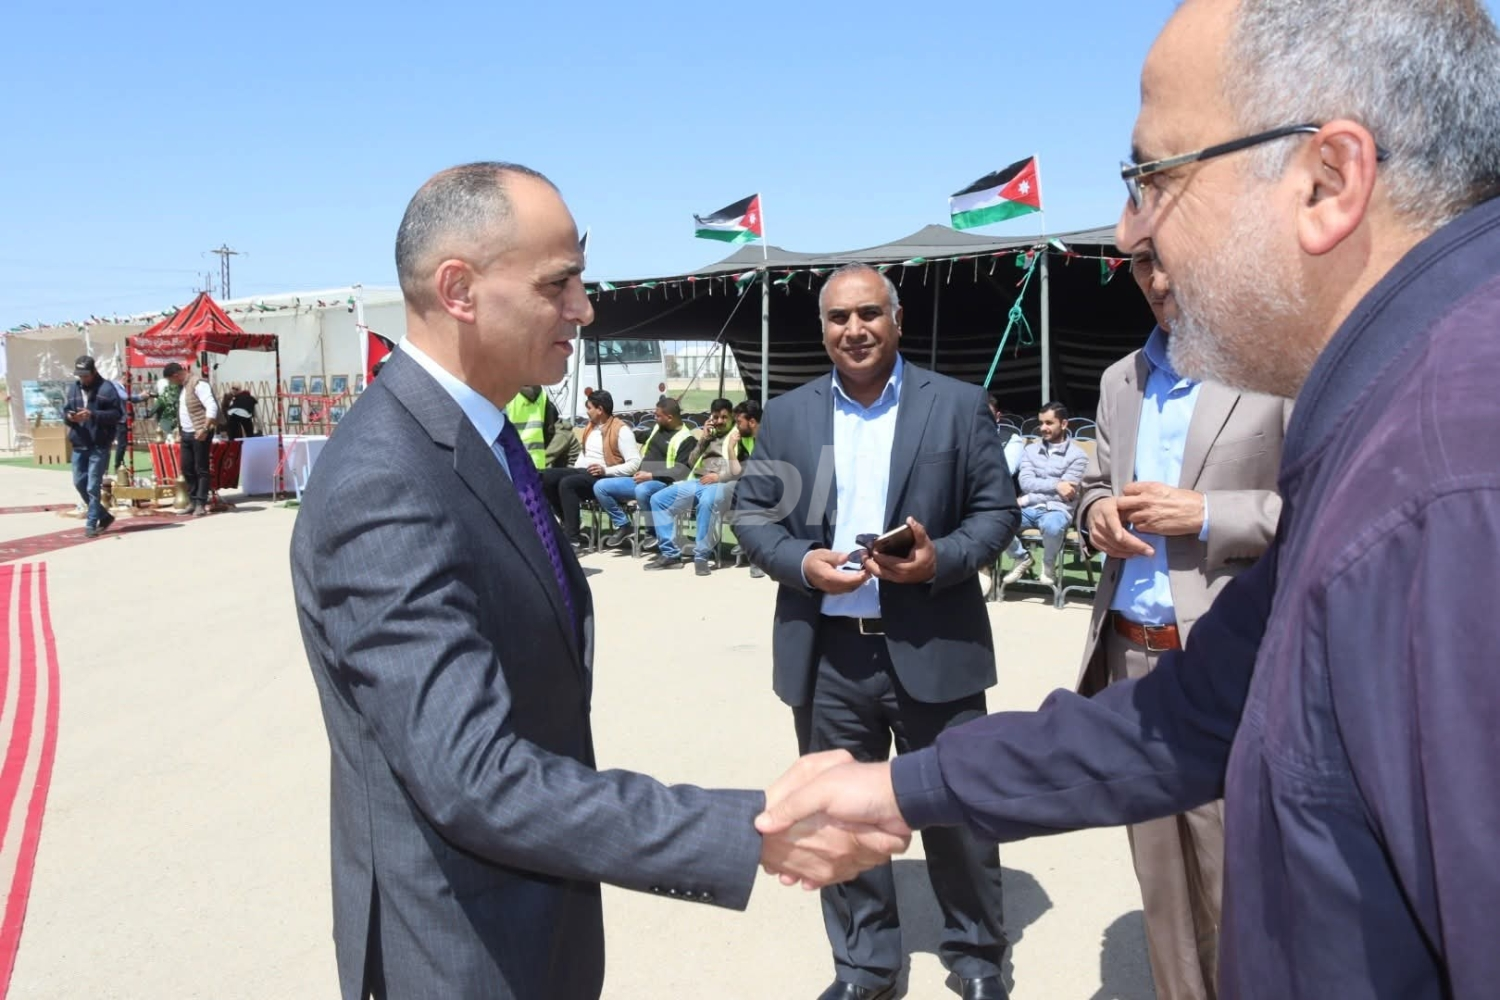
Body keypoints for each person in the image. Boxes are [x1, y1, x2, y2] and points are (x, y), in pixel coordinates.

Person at [756, 1, 1500, 996]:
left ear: (1328, 181)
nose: (1128, 231)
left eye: (1152, 178)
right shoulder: (1396, 407)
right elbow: (1199, 708)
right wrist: (903, 787)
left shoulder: (1456, 473)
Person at [289, 162, 904, 1000]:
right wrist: (750, 831)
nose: (583, 308)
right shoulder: (386, 476)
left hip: (537, 915)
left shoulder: (478, 438)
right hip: (460, 947)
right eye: (559, 283)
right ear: (459, 289)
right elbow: (471, 775)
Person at [735, 263, 1018, 1000]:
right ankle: (866, 966)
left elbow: (996, 512)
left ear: (897, 320)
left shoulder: (956, 405)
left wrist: (937, 560)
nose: (854, 330)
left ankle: (977, 954)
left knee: (956, 806)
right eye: (839, 318)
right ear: (822, 328)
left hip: (933, 644)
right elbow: (754, 514)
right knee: (837, 816)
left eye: (869, 314)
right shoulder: (789, 415)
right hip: (828, 654)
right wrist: (801, 564)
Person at [1076, 248, 1287, 1000]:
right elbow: (1093, 483)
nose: (1158, 281)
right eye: (1141, 265)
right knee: (1161, 885)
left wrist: (1207, 514)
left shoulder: (1277, 368)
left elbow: (1330, 504)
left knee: (1239, 882)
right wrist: (1095, 512)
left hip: (1230, 662)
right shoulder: (1120, 380)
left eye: (1171, 261)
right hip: (1130, 656)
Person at [540, 389, 642, 547]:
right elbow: (584, 454)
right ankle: (568, 522)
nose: (587, 412)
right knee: (546, 477)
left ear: (600, 409)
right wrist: (572, 470)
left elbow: (635, 463)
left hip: (606, 477)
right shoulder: (590, 427)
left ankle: (573, 538)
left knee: (568, 483)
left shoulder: (621, 430)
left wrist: (605, 470)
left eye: (589, 408)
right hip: (584, 472)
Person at [643, 397, 734, 573]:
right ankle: (671, 555)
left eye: (724, 417)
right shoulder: (709, 436)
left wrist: (719, 476)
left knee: (707, 502)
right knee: (658, 500)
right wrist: (704, 439)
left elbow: (744, 466)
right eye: (716, 417)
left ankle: (701, 556)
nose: (720, 421)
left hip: (722, 483)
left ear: (731, 417)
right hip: (697, 480)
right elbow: (691, 462)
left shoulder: (737, 436)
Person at [594, 396, 695, 550]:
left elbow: (680, 471)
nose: (655, 418)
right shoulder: (657, 428)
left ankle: (652, 531)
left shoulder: (686, 439)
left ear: (669, 417)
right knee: (600, 487)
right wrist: (621, 430)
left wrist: (651, 476)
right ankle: (623, 525)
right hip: (639, 479)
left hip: (664, 484)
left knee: (642, 490)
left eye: (658, 416)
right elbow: (638, 436)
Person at [1003, 403, 1087, 586]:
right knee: (998, 520)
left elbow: (1066, 494)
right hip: (1028, 510)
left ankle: (1048, 564)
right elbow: (1026, 482)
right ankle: (1021, 557)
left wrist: (1028, 498)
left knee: (1053, 526)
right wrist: (1057, 485)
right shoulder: (1030, 450)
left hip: (1057, 510)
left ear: (1063, 424)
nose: (1043, 428)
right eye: (1041, 423)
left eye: (1049, 423)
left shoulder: (1078, 456)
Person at [63, 355, 122, 537]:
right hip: (79, 442)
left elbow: (116, 414)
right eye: (80, 375)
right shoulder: (74, 388)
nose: (83, 379)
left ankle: (91, 523)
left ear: (94, 372)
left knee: (93, 486)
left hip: (99, 444)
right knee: (79, 482)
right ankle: (104, 516)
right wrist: (70, 417)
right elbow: (65, 411)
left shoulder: (107, 389)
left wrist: (93, 414)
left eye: (86, 375)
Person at [162, 362, 217, 516]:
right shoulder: (183, 387)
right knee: (187, 468)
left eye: (170, 380)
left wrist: (205, 428)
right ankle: (192, 501)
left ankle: (201, 503)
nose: (171, 383)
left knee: (201, 468)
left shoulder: (198, 384)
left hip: (200, 432)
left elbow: (212, 407)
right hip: (186, 433)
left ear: (175, 375)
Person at [504, 384, 557, 468]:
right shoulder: (542, 395)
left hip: (512, 463)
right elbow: (550, 430)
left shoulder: (507, 394)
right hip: (537, 462)